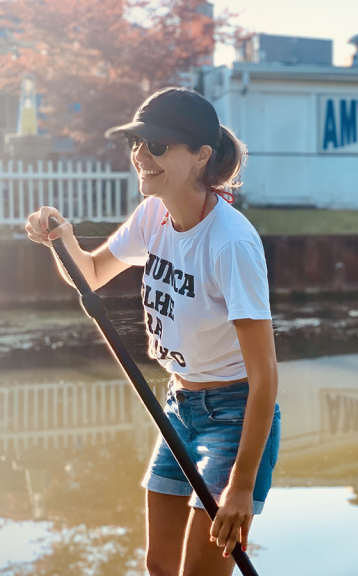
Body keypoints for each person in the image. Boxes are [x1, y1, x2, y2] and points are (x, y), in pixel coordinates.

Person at [25, 87, 280, 576]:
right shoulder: (152, 216)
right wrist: (65, 240)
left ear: (201, 155)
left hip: (234, 415)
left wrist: (242, 485)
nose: (141, 155)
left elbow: (265, 375)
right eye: (136, 144)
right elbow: (93, 274)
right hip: (178, 406)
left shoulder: (231, 243)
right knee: (159, 566)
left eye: (158, 145)